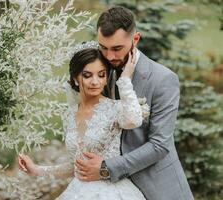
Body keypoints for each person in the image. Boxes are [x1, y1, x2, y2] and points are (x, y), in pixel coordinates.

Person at [74, 6, 194, 200]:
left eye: (117, 48)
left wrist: (107, 168)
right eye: (103, 47)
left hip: (156, 187)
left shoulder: (163, 79)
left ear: (135, 39)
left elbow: (159, 145)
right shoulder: (99, 73)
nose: (110, 56)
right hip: (109, 191)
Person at [18, 43, 148, 199]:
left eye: (101, 75)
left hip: (111, 191)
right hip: (78, 191)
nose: (95, 82)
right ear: (75, 78)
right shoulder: (68, 115)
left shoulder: (116, 108)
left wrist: (125, 79)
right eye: (87, 75)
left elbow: (134, 121)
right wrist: (37, 170)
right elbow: (77, 167)